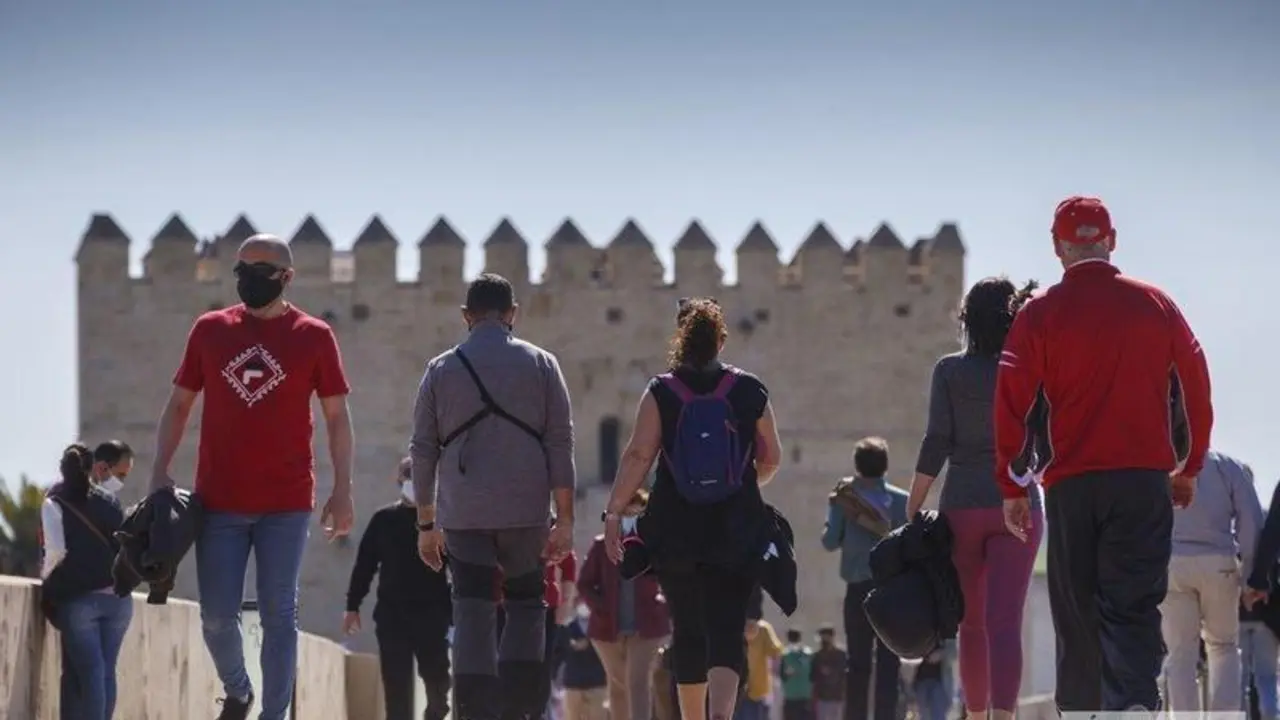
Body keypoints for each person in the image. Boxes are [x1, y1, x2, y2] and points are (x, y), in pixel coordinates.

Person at [994, 196, 1214, 712]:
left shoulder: (1038, 313)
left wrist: (1012, 485)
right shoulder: (1156, 304)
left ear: (1057, 247)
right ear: (1111, 240)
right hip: (1142, 481)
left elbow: (1009, 402)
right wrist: (1191, 466)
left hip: (1072, 484)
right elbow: (1197, 384)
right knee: (1134, 606)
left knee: (1077, 610)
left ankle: (1080, 710)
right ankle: (1135, 708)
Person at [149, 233, 356, 720]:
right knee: (217, 616)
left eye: (260, 273)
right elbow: (179, 405)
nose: (248, 281)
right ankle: (239, 691)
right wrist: (160, 469)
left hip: (286, 503)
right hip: (218, 501)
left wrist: (342, 489)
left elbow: (337, 418)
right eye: (240, 270)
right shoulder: (209, 330)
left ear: (286, 278)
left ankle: (274, 715)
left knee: (279, 615)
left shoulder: (314, 336)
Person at [597, 296, 783, 720]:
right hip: (737, 526)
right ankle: (721, 715)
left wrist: (614, 514)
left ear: (680, 338)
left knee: (687, 627)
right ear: (721, 340)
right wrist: (744, 484)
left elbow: (638, 456)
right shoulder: (750, 389)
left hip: (676, 528)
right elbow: (771, 457)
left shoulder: (662, 390)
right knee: (728, 625)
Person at [409, 272, 576, 720]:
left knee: (471, 610)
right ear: (513, 314)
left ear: (467, 316)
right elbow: (560, 443)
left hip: (464, 512)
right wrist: (566, 518)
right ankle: (521, 711)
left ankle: (473, 711)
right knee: (525, 606)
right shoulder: (543, 364)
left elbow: (423, 451)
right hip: (526, 510)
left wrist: (427, 525)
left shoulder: (441, 370)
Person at [906, 277, 1042, 720]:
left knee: (972, 626)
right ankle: (1004, 715)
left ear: (967, 319)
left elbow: (937, 440)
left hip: (961, 505)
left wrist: (915, 502)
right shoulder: (1028, 368)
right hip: (1016, 502)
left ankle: (977, 714)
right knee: (1006, 623)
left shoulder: (949, 370)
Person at [343, 457, 453, 720]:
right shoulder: (383, 520)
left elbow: (460, 568)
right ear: (400, 482)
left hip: (433, 617)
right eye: (411, 478)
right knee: (397, 691)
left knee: (438, 686)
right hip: (393, 617)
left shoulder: (443, 523)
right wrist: (352, 606)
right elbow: (364, 566)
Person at [1161, 451, 1262, 713]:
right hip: (1219, 563)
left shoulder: (1163, 467)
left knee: (1180, 654)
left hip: (1173, 563)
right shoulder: (1228, 467)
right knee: (1223, 647)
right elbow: (1250, 522)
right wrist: (1251, 576)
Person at [40, 443, 134, 720]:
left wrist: (47, 583)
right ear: (92, 467)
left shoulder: (53, 502)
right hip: (118, 599)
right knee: (106, 671)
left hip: (79, 599)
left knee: (89, 670)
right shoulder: (109, 500)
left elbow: (55, 551)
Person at [820, 437, 908, 720]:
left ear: (857, 466)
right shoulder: (901, 501)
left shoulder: (845, 499)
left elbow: (830, 542)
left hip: (858, 590)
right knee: (889, 663)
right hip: (893, 592)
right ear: (885, 466)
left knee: (857, 664)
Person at [578, 488, 672, 720]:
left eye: (638, 514)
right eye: (627, 514)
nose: (632, 520)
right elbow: (585, 584)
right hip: (606, 629)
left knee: (638, 682)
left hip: (648, 627)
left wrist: (665, 607)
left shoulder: (655, 546)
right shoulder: (602, 546)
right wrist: (600, 608)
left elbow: (672, 581)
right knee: (618, 685)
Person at [556, 603, 609, 720]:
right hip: (572, 683)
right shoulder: (567, 626)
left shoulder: (601, 624)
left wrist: (590, 644)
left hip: (597, 683)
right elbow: (558, 650)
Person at [738, 616, 783, 720]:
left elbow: (775, 651)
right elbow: (775, 651)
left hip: (751, 689)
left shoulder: (762, 629)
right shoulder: (762, 628)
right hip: (745, 688)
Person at [810, 626, 846, 720]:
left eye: (825, 637)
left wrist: (830, 672)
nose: (823, 640)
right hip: (822, 698)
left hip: (837, 696)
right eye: (822, 637)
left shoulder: (841, 654)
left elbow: (843, 673)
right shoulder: (817, 656)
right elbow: (812, 677)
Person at [779, 628, 814, 720]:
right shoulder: (808, 654)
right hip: (804, 696)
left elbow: (782, 676)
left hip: (791, 696)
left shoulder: (785, 655)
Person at [912, 645, 952, 720]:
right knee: (924, 713)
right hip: (921, 679)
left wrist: (942, 653)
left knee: (937, 714)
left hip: (939, 680)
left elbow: (953, 648)